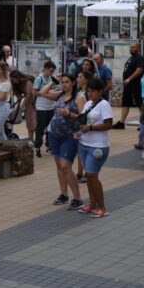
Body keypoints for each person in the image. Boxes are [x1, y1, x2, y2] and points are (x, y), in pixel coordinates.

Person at [40, 74, 84, 209]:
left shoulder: (78, 98)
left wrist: (69, 114)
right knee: (59, 165)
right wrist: (53, 82)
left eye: (67, 82)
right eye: (62, 82)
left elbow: (83, 118)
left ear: (73, 83)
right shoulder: (59, 95)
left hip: (70, 136)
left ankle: (77, 198)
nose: (64, 84)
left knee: (66, 166)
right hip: (54, 135)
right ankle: (64, 194)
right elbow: (42, 92)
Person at [77, 79, 112, 218]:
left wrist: (91, 128)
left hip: (98, 145)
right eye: (88, 91)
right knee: (89, 175)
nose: (90, 93)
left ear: (100, 91)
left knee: (91, 175)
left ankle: (102, 207)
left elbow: (109, 124)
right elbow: (84, 120)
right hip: (84, 143)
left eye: (92, 91)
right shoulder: (88, 103)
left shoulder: (104, 105)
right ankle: (92, 204)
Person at [114, 42, 144, 129]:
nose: (131, 49)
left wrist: (129, 79)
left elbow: (139, 70)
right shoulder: (131, 58)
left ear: (138, 48)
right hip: (128, 85)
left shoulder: (140, 58)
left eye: (133, 47)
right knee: (125, 103)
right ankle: (121, 122)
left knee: (139, 103)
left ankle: (143, 123)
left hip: (136, 84)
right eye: (130, 47)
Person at [33, 61, 57, 158]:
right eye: (51, 70)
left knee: (50, 128)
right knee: (40, 128)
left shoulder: (51, 78)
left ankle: (49, 146)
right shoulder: (39, 79)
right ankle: (37, 147)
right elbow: (34, 92)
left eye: (53, 71)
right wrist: (44, 93)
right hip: (41, 108)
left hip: (51, 107)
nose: (52, 73)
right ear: (46, 68)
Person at [10, 70, 37, 141]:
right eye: (11, 80)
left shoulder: (28, 82)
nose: (13, 82)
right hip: (28, 104)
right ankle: (30, 139)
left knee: (34, 121)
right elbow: (19, 96)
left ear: (18, 77)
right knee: (29, 121)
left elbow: (29, 94)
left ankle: (35, 139)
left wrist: (22, 106)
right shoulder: (17, 85)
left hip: (34, 102)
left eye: (14, 80)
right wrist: (18, 107)